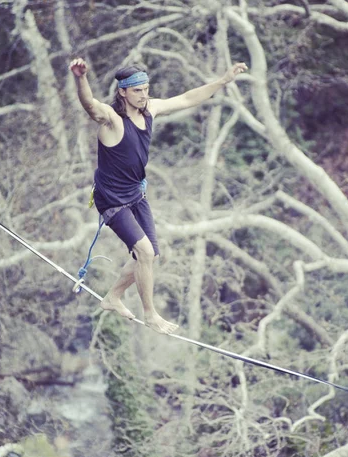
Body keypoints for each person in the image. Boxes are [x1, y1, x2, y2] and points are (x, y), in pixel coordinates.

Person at [69, 57, 248, 334]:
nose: (144, 95)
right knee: (144, 251)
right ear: (123, 92)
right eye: (137, 90)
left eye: (146, 89)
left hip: (136, 195)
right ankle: (151, 315)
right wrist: (81, 78)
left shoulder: (150, 109)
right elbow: (90, 105)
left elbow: (188, 98)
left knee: (149, 257)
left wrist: (223, 81)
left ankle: (112, 297)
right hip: (112, 199)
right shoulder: (113, 120)